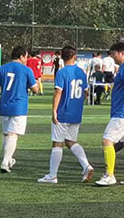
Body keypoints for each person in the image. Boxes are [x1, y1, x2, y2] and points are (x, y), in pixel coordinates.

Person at [38, 46, 94, 184]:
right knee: (70, 141)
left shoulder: (62, 72)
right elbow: (86, 93)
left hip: (63, 112)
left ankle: (52, 175)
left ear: (62, 57)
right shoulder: (81, 72)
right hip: (76, 113)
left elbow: (58, 92)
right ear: (75, 57)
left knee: (57, 143)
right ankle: (86, 165)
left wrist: (54, 110)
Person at [95, 42, 124, 187]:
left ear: (122, 53)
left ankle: (109, 175)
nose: (112, 57)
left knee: (107, 140)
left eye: (114, 54)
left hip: (122, 112)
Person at [0, 46, 39, 173]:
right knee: (13, 135)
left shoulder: (2, 69)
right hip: (19, 107)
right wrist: (35, 84)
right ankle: (5, 162)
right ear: (21, 57)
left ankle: (9, 160)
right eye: (26, 57)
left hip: (4, 106)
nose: (26, 59)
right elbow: (35, 89)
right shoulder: (26, 70)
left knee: (7, 135)